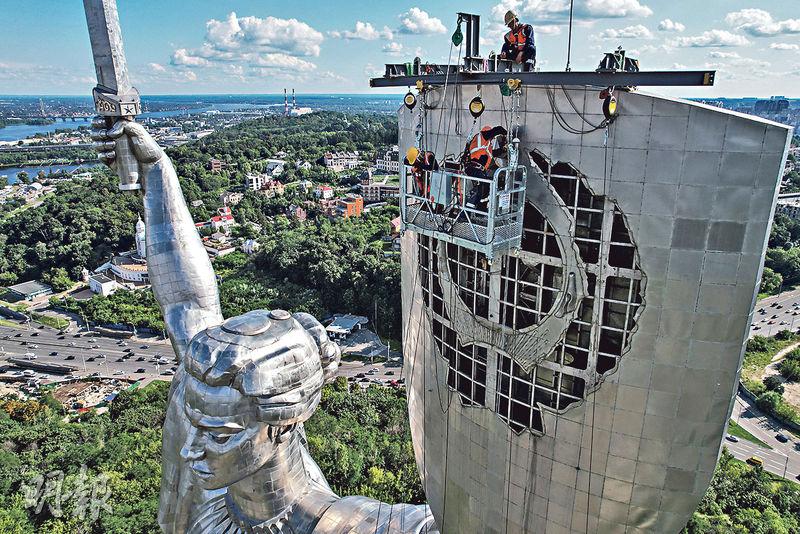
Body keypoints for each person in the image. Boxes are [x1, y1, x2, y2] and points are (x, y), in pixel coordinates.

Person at [463, 125, 507, 212]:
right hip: (474, 168)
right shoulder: (482, 136)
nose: (493, 138)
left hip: (478, 170)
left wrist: (503, 150)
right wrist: (505, 134)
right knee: (480, 188)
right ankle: (465, 213)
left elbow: (493, 153)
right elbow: (497, 130)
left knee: (484, 189)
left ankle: (480, 210)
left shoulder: (485, 145)